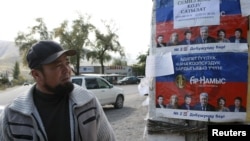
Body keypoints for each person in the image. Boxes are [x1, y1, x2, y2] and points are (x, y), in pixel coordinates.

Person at [0, 40, 116, 141]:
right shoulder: (13, 115)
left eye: (67, 63)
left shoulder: (88, 102)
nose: (67, 70)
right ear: (37, 75)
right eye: (58, 65)